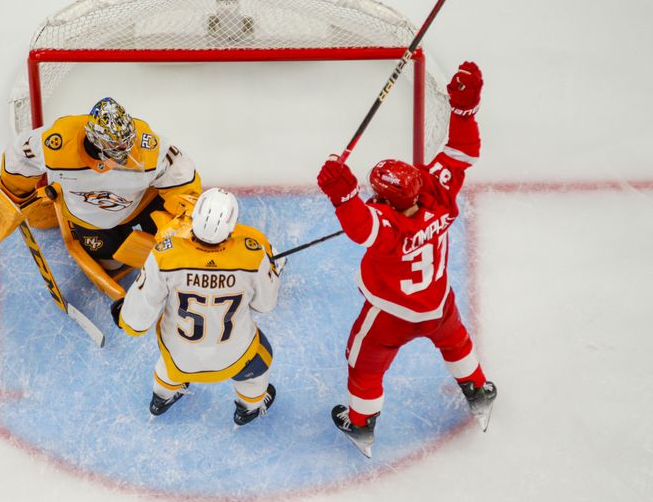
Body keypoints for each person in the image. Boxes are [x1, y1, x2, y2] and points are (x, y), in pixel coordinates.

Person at [316, 62, 497, 458]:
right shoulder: (436, 191)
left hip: (389, 314)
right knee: (456, 342)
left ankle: (361, 425)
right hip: (437, 303)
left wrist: (344, 198)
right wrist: (463, 112)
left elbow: (362, 228)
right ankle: (478, 390)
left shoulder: (388, 225)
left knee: (363, 365)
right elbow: (462, 152)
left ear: (385, 199)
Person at [111, 188, 284, 425]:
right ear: (232, 226)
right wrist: (269, 270)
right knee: (259, 362)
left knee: (170, 362)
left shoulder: (165, 254)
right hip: (233, 356)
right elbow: (266, 305)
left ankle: (161, 398)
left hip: (180, 355)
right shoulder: (252, 255)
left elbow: (137, 317)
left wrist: (126, 319)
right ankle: (249, 408)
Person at [0, 97, 201, 280]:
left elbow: (179, 169)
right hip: (89, 219)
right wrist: (15, 193)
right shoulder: (57, 143)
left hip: (138, 205)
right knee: (112, 265)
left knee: (175, 246)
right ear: (97, 140)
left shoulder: (147, 146)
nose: (128, 151)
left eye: (128, 143)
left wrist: (187, 209)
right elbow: (19, 155)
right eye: (118, 147)